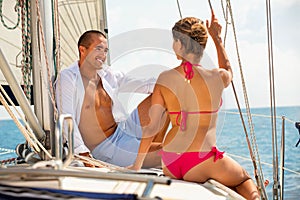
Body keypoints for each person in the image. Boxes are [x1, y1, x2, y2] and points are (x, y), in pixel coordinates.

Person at [130, 11, 260, 200]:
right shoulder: (218, 77)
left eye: (174, 40)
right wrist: (217, 39)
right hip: (202, 162)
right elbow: (228, 69)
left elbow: (151, 128)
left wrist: (137, 165)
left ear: (181, 44)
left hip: (171, 162)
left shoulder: (164, 79)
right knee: (243, 180)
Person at [55, 30, 168, 167]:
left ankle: (149, 148)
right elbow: (67, 118)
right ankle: (150, 154)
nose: (103, 55)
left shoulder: (107, 74)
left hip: (124, 129)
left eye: (105, 50)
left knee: (165, 90)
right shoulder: (68, 78)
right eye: (98, 49)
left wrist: (177, 80)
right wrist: (82, 154)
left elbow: (144, 84)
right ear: (82, 50)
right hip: (106, 148)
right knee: (167, 153)